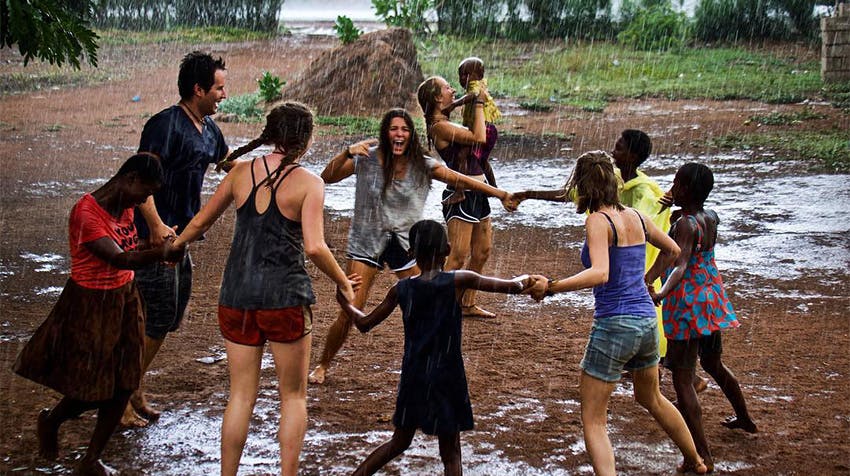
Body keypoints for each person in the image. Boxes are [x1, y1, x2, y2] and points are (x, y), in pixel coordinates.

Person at [169, 102, 356, 476]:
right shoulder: (309, 182)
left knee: (240, 395)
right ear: (305, 140)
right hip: (284, 298)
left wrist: (173, 247)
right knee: (293, 396)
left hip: (236, 296)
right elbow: (316, 247)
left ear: (271, 134)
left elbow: (200, 222)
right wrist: (343, 283)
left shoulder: (241, 172)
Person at [308, 108, 517, 385]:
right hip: (367, 242)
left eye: (404, 130)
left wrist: (499, 193)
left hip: (407, 245)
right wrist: (347, 152)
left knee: (427, 307)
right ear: (385, 132)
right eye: (394, 129)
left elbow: (458, 178)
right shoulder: (367, 157)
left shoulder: (423, 163)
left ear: (411, 135)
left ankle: (435, 365)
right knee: (349, 308)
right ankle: (323, 364)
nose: (399, 134)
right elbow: (327, 176)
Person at [530, 151, 707, 476]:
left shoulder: (598, 220)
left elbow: (600, 273)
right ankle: (696, 461)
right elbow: (673, 250)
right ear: (613, 182)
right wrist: (649, 279)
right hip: (645, 323)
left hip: (615, 324)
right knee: (651, 397)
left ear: (582, 185)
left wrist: (552, 287)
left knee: (594, 419)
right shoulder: (636, 217)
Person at [336, 220, 546, 476]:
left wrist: (344, 301)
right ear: (447, 249)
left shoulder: (401, 289)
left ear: (411, 253)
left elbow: (364, 323)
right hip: (447, 376)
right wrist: (530, 279)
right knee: (451, 454)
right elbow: (512, 287)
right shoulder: (459, 280)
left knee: (398, 443)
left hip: (414, 375)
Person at [13, 153, 179, 475]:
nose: (145, 200)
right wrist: (161, 252)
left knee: (125, 382)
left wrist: (159, 246)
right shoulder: (87, 213)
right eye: (144, 192)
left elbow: (131, 251)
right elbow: (120, 259)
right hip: (91, 304)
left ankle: (90, 459)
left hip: (126, 298)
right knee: (93, 388)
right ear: (128, 179)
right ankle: (52, 419)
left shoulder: (126, 205)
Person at [128, 50, 230, 426]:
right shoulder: (164, 125)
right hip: (154, 240)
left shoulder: (208, 129)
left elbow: (228, 160)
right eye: (219, 89)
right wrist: (154, 226)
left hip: (182, 239)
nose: (224, 95)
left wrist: (269, 164)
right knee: (155, 320)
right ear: (198, 89)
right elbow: (140, 179)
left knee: (168, 319)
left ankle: (131, 385)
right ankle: (122, 397)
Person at [646, 162, 758, 472]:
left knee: (682, 378)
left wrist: (660, 292)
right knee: (713, 363)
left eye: (676, 183)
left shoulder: (684, 224)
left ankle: (701, 455)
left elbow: (679, 264)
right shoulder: (709, 217)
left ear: (684, 189)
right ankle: (744, 418)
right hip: (710, 297)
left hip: (686, 302)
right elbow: (688, 251)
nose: (671, 187)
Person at [418, 76, 506, 319]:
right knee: (456, 256)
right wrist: (477, 103)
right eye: (447, 88)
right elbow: (479, 137)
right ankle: (436, 308)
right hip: (462, 196)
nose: (453, 89)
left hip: (478, 192)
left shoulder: (446, 122)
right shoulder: (439, 127)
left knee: (482, 252)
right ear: (437, 97)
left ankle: (466, 303)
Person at [440, 57, 501, 206]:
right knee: (482, 160)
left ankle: (459, 192)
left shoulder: (475, 87)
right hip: (489, 130)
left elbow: (473, 95)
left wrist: (454, 104)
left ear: (477, 76)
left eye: (466, 75)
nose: (462, 78)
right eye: (460, 75)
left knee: (462, 155)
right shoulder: (477, 86)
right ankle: (493, 188)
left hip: (484, 130)